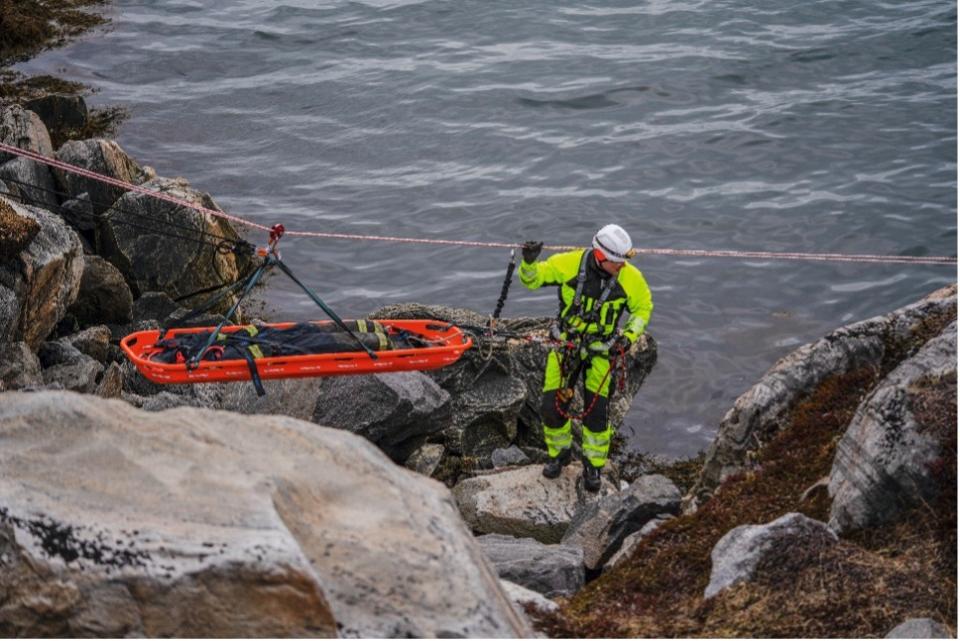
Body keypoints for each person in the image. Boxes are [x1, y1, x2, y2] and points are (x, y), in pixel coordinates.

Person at [519, 224, 653, 492]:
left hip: (601, 350)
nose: (622, 266)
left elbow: (642, 308)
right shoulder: (567, 264)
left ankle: (594, 465)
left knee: (597, 413)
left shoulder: (631, 278)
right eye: (617, 262)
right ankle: (559, 454)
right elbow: (532, 280)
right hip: (566, 345)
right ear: (600, 256)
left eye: (625, 261)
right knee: (551, 406)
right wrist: (528, 261)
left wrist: (628, 337)